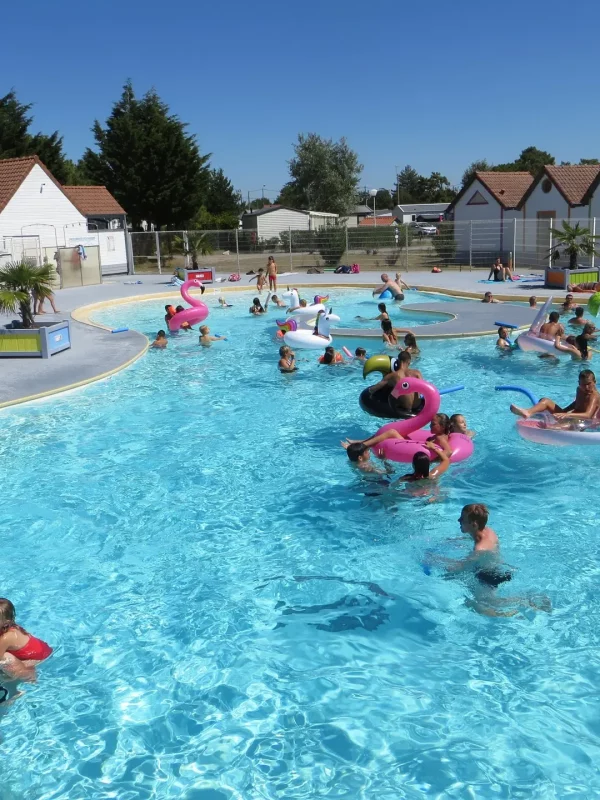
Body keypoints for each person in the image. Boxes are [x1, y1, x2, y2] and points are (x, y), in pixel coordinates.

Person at [0, 598, 53, 686]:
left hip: (38, 659)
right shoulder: (8, 626)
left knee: (5, 658)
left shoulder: (7, 637)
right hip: (43, 650)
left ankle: (27, 678)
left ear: (6, 623)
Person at [510, 369, 599, 420]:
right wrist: (563, 411)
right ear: (579, 383)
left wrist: (567, 415)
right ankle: (528, 412)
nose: (586, 387)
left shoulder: (594, 396)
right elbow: (577, 403)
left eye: (589, 384)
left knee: (551, 427)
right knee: (545, 401)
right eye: (583, 384)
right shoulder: (579, 389)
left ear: (594, 382)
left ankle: (535, 416)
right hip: (571, 417)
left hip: (583, 421)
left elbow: (588, 415)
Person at [367, 350, 423, 415]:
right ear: (409, 362)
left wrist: (369, 391)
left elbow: (374, 389)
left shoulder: (392, 376)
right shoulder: (417, 373)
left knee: (394, 393)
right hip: (417, 408)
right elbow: (423, 390)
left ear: (398, 361)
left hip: (403, 410)